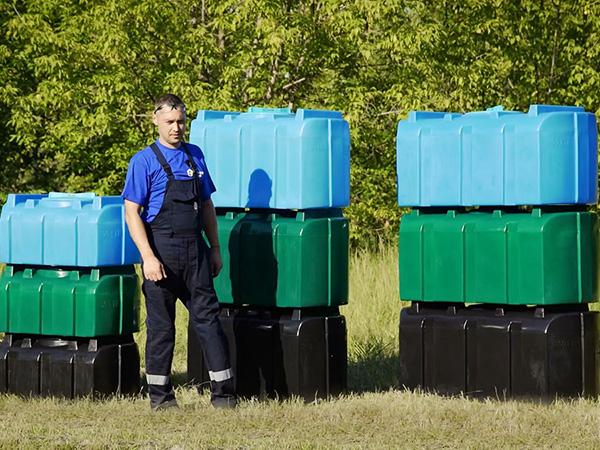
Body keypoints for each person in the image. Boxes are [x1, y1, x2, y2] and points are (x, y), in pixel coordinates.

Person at [122, 94, 236, 410]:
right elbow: (132, 212)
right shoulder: (143, 161)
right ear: (155, 120)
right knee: (161, 329)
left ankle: (224, 396)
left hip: (196, 252)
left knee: (210, 321)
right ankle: (161, 399)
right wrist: (147, 257)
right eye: (170, 122)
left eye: (181, 121)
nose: (176, 127)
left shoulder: (195, 156)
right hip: (160, 251)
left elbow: (208, 205)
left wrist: (214, 248)